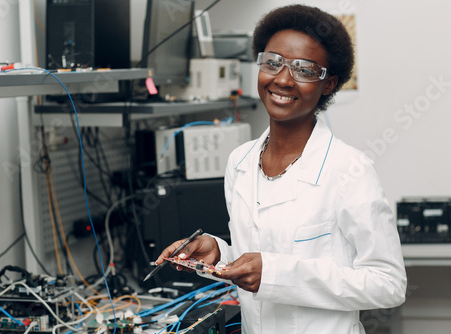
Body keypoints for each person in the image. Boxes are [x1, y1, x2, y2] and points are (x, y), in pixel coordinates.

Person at [156, 4, 407, 333]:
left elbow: (388, 284)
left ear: (328, 84)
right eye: (273, 63)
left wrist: (277, 275)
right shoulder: (241, 162)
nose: (284, 79)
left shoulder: (350, 169)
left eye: (304, 70)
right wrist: (218, 252)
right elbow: (257, 256)